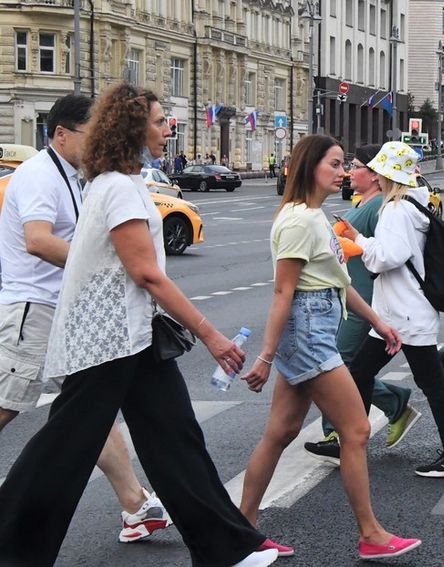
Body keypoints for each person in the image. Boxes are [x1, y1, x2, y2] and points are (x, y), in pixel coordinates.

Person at [0, 83, 279, 567]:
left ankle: (227, 547)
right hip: (109, 339)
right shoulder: (117, 188)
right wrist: (211, 334)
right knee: (62, 451)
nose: (166, 128)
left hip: (132, 336)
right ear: (132, 128)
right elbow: (146, 272)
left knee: (176, 439)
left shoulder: (116, 182)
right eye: (157, 121)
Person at [0, 93, 174, 546]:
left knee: (88, 409)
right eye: (89, 131)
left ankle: (136, 505)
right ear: (61, 134)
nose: (99, 138)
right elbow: (38, 240)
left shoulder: (83, 175)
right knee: (8, 405)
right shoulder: (39, 175)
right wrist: (101, 264)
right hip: (35, 307)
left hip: (68, 308)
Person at [237, 134, 421, 561]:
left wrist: (378, 321)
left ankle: (242, 532)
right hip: (307, 331)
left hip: (314, 322)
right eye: (335, 164)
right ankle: (371, 534)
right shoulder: (300, 220)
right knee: (355, 430)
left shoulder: (315, 216)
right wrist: (265, 356)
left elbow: (336, 280)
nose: (343, 172)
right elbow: (284, 292)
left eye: (344, 165)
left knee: (281, 432)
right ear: (310, 166)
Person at [339, 141, 444, 479]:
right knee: (361, 373)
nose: (376, 176)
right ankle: (351, 441)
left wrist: (359, 240)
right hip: (399, 312)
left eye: (380, 170)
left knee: (432, 384)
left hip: (405, 314)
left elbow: (388, 257)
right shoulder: (413, 204)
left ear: (386, 173)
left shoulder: (396, 210)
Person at [302, 144, 422, 463]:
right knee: (348, 366)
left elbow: (382, 252)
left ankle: (338, 433)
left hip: (366, 296)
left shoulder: (380, 205)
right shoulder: (363, 201)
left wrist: (344, 241)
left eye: (356, 166)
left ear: (374, 175)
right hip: (350, 294)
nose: (350, 172)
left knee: (337, 363)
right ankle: (391, 403)